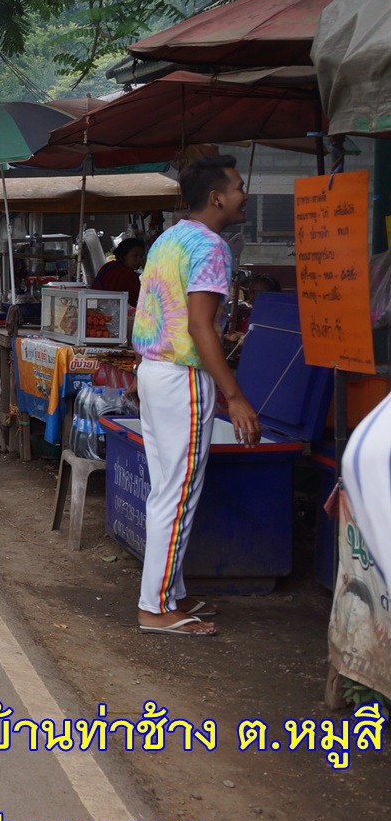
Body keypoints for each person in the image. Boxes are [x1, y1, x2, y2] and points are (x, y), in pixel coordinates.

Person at [131, 154, 259, 637]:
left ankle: (169, 592)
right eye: (239, 186)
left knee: (167, 489)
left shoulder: (170, 236)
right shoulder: (210, 246)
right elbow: (202, 327)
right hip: (181, 376)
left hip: (153, 371)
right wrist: (236, 397)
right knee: (177, 494)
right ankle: (156, 608)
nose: (244, 193)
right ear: (217, 197)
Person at [93, 237, 147, 306]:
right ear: (123, 255)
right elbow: (141, 297)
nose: (139, 260)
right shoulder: (127, 273)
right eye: (135, 256)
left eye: (141, 256)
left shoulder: (108, 266)